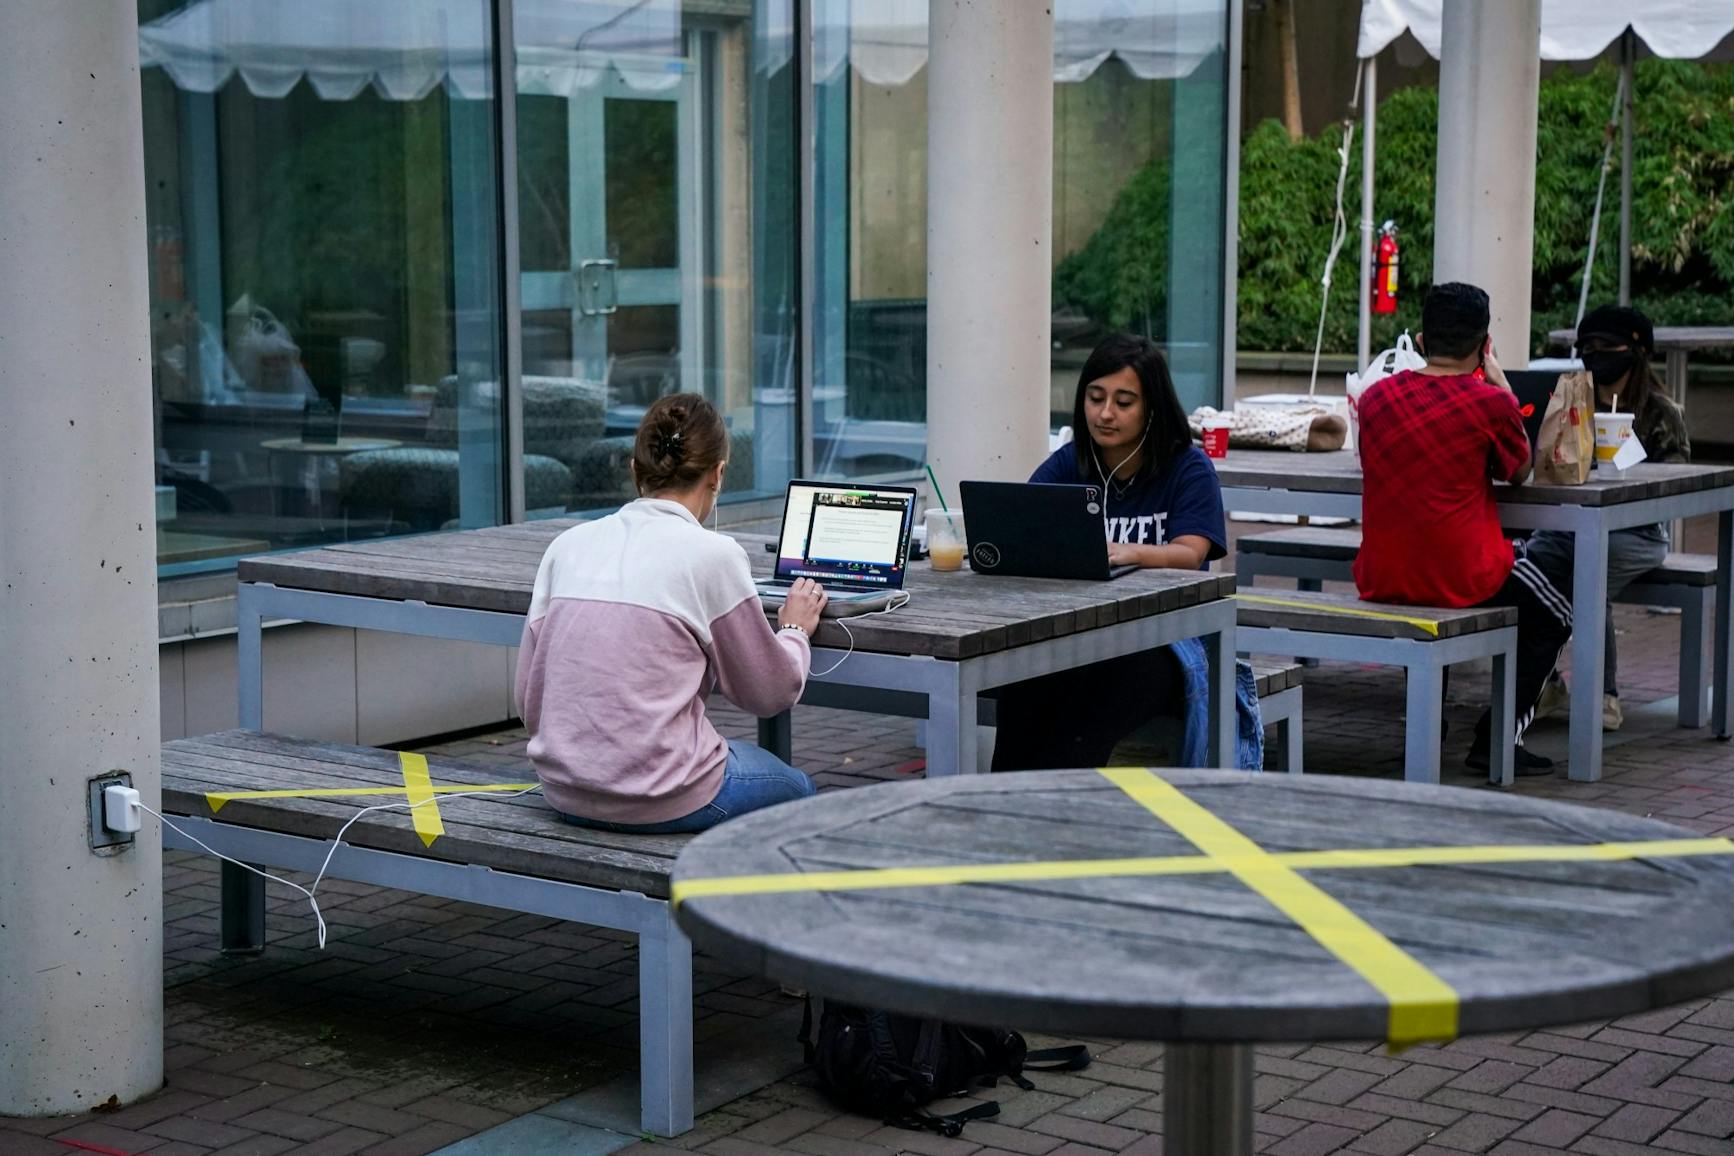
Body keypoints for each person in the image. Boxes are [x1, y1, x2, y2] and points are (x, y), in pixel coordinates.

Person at [514, 393, 826, 832]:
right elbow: (769, 693)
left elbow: (528, 699)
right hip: (667, 796)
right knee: (801, 789)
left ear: (634, 469)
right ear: (718, 474)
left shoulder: (566, 547)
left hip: (566, 792)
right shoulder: (712, 555)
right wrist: (794, 629)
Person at [1353, 282, 1573, 775]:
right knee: (1556, 616)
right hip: (1464, 574)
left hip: (1383, 575)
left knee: (1427, 594)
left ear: (1422, 339)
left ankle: (1430, 729)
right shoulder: (1490, 404)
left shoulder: (1375, 399)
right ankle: (1496, 741)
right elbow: (1519, 472)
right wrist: (1503, 387)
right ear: (1484, 345)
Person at [991, 333, 1230, 772]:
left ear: (1152, 407)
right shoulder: (1070, 463)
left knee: (1090, 702)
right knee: (1023, 683)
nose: (1105, 413)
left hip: (1165, 639)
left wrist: (1128, 552)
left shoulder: (1188, 468)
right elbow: (1022, 524)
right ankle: (1005, 800)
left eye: (1124, 402)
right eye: (1095, 398)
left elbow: (1191, 553)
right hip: (1076, 630)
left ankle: (1061, 803)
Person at [1525, 305, 1690, 731]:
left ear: (1636, 352)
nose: (1595, 355)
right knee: (1529, 566)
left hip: (1639, 534)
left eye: (1606, 346)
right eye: (1587, 347)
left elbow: (1678, 485)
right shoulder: (1569, 403)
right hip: (1570, 526)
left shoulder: (1661, 412)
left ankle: (1602, 694)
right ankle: (1545, 684)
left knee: (1587, 571)